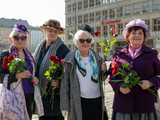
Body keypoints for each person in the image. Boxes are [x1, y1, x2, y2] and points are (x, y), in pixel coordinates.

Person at [108, 19, 160, 120]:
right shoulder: (118, 54)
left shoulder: (152, 54)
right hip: (123, 105)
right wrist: (119, 87)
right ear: (128, 36)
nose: (136, 36)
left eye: (140, 33)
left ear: (144, 37)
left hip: (145, 105)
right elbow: (112, 76)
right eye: (133, 33)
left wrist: (150, 83)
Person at [60, 24, 108, 120]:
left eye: (88, 40)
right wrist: (65, 106)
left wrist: (104, 71)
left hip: (97, 100)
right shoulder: (69, 59)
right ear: (76, 42)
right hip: (79, 101)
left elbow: (102, 79)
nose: (85, 43)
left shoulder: (98, 59)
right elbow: (65, 84)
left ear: (91, 42)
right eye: (82, 40)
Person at [34, 19, 70, 120]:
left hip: (54, 95)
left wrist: (59, 82)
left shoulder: (63, 49)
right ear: (44, 31)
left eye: (55, 31)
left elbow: (68, 72)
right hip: (41, 93)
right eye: (50, 30)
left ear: (58, 33)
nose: (52, 33)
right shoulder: (40, 47)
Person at [0, 24, 37, 120]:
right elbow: (0, 76)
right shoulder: (5, 55)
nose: (20, 40)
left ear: (26, 40)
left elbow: (32, 73)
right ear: (11, 39)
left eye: (23, 38)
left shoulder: (30, 56)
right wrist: (16, 76)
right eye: (16, 37)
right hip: (13, 98)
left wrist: (35, 78)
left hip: (29, 95)